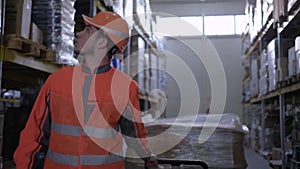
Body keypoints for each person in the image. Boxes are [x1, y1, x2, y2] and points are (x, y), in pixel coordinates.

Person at [14, 11, 158, 169]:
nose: (78, 33)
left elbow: (134, 133)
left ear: (102, 43)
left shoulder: (125, 87)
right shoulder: (56, 81)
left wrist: (147, 157)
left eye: (88, 30)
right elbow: (34, 134)